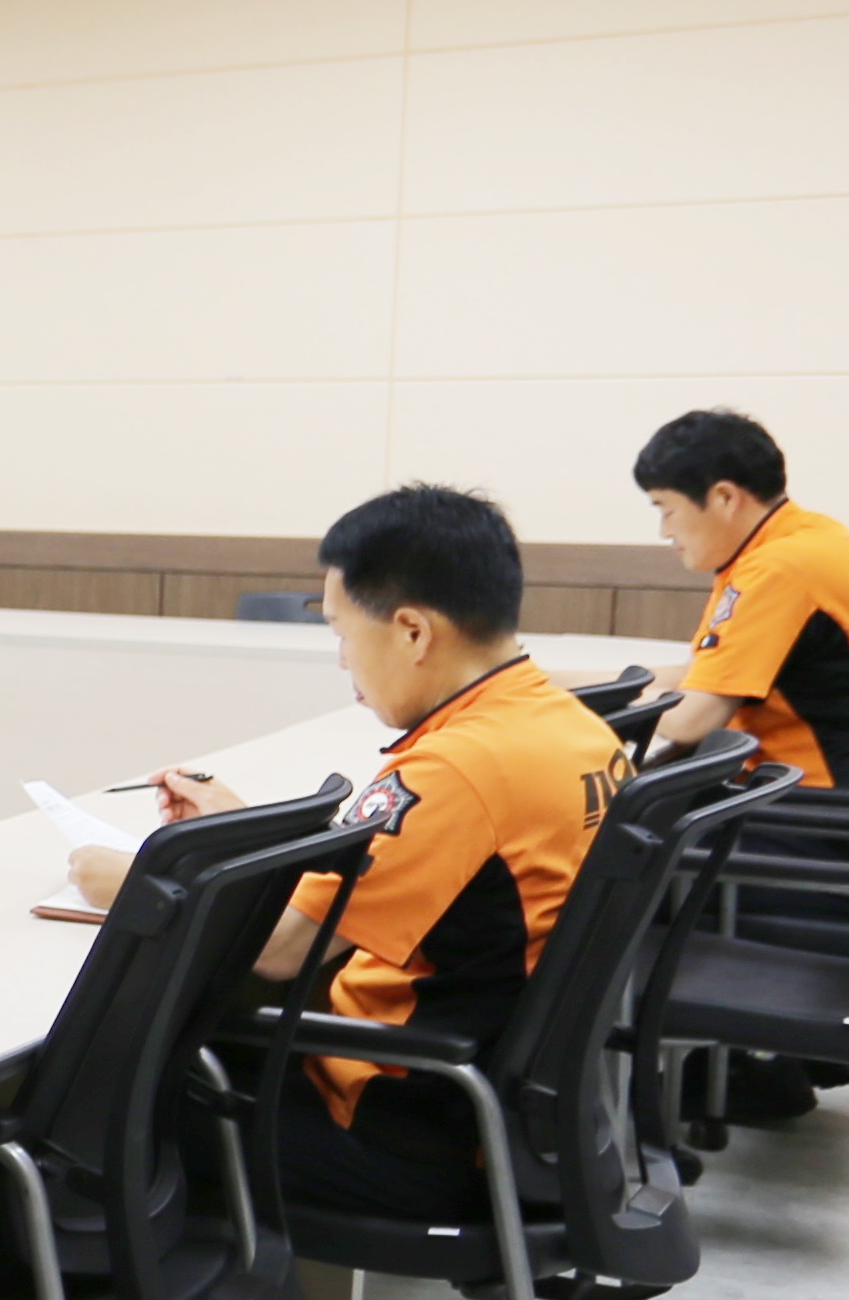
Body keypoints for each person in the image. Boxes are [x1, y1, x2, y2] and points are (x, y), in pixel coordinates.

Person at [67, 483, 629, 1223]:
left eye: (341, 632)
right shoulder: (572, 728)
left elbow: (281, 951)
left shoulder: (455, 768)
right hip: (518, 1119)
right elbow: (412, 865)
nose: (341, 661)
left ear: (412, 632)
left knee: (87, 1106)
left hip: (402, 1124)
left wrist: (138, 879)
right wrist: (248, 830)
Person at [628, 407, 849, 792]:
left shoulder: (779, 569)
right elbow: (699, 675)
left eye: (666, 510)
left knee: (629, 813)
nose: (664, 531)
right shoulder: (802, 538)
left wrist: (618, 701)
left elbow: (690, 720)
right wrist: (573, 686)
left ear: (724, 497)